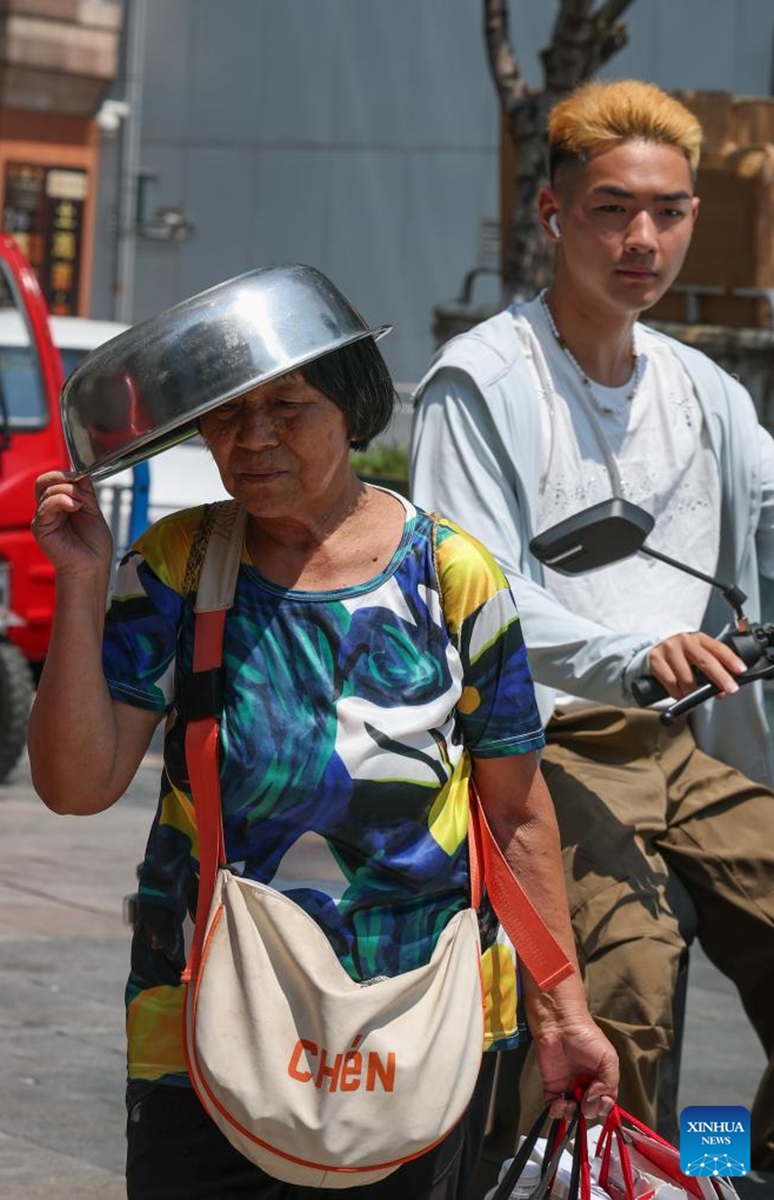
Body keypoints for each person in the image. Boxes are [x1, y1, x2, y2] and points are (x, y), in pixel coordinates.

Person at [28, 268, 617, 1200]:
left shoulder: (454, 578)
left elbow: (517, 817)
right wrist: (78, 583)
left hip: (418, 1024)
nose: (253, 438)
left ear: (352, 410)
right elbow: (75, 785)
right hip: (204, 1017)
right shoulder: (177, 566)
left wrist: (563, 1012)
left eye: (289, 407)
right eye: (226, 415)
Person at [410, 79, 774, 1168]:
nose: (642, 238)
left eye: (666, 211)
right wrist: (630, 651)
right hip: (543, 740)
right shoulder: (478, 383)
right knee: (623, 982)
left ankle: (714, 1173)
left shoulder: (706, 389)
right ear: (551, 214)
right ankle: (578, 1183)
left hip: (686, 742)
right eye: (612, 208)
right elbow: (474, 586)